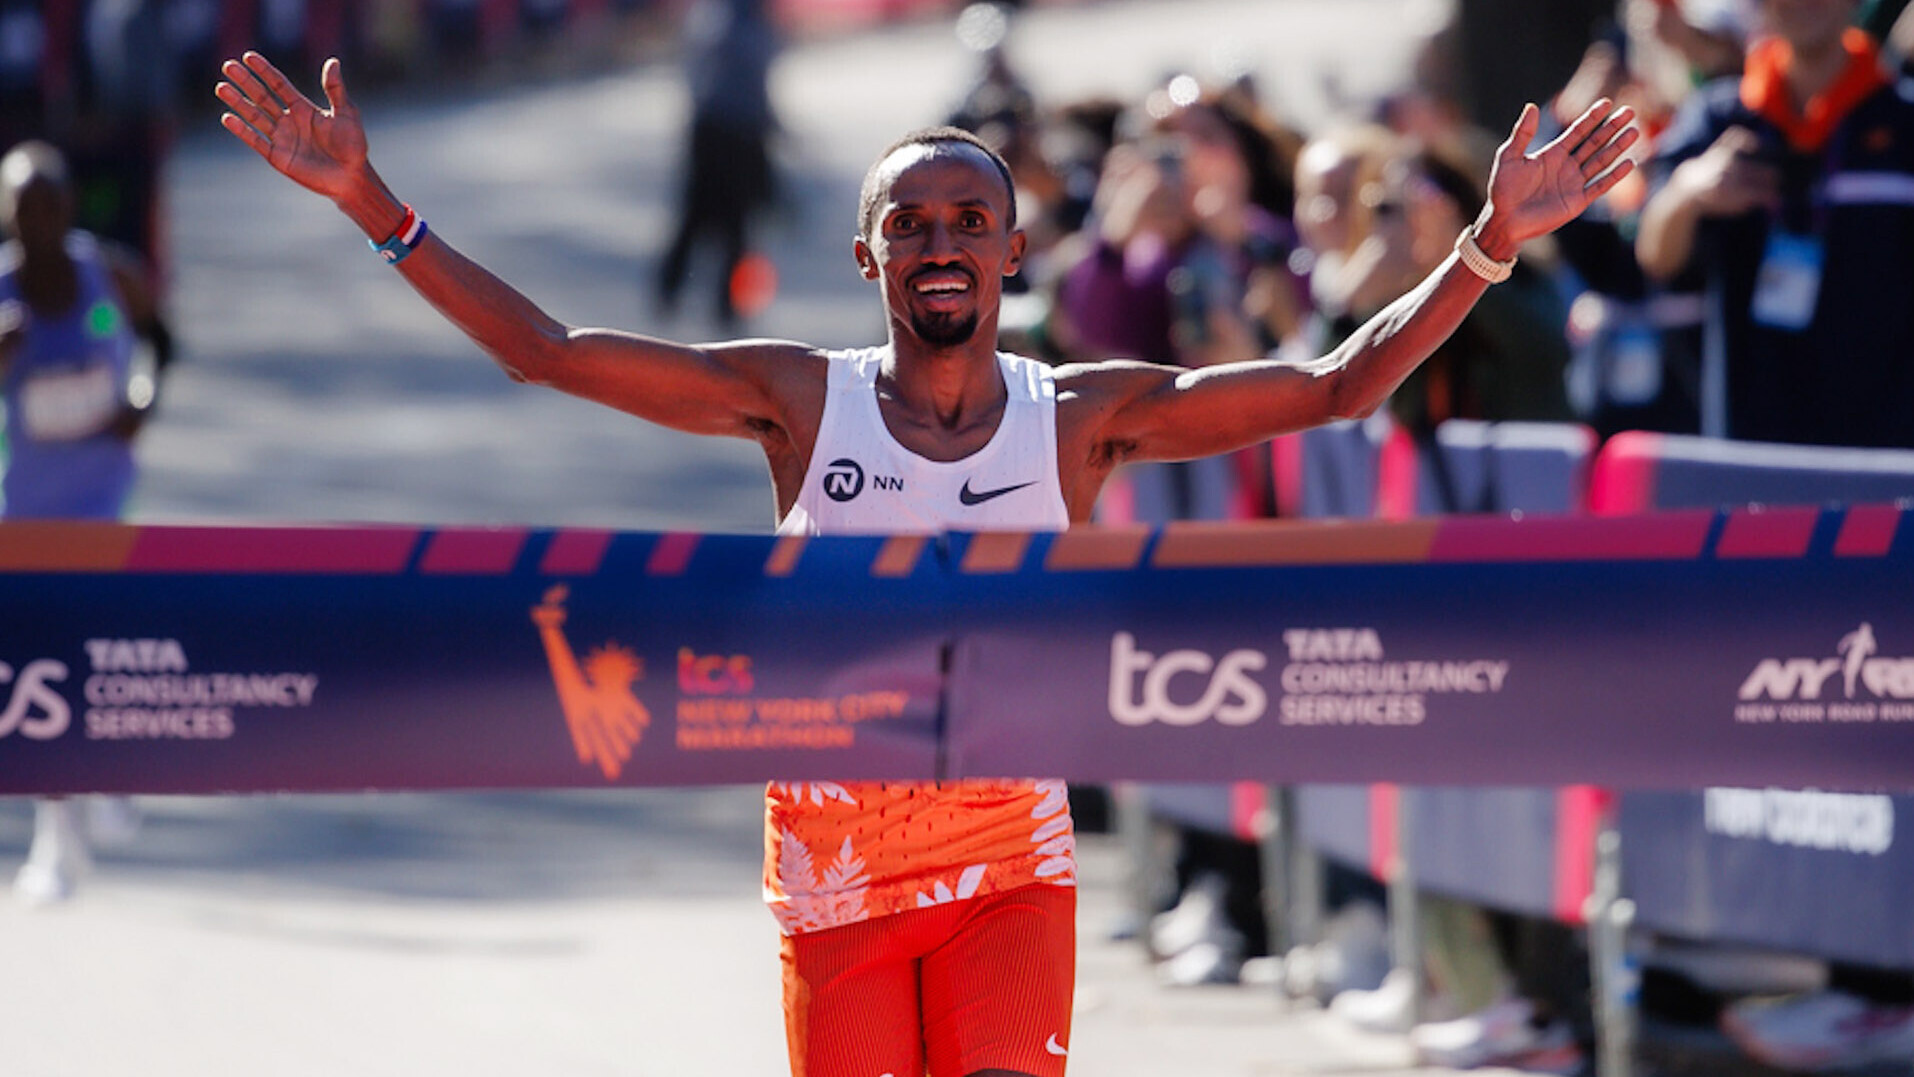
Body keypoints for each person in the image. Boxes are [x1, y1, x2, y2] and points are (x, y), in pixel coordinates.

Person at [214, 48, 1636, 1077]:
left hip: (1006, 856)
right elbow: (550, 355)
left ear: (1013, 253)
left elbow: (1330, 385)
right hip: (832, 864)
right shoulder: (796, 399)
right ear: (867, 256)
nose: (940, 244)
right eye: (911, 225)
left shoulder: (1077, 417)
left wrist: (1487, 245)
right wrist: (375, 209)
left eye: (968, 224)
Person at [0, 139, 166, 904]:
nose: (37, 217)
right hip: (26, 514)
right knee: (43, 667)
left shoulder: (110, 274)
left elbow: (161, 340)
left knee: (99, 650)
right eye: (21, 204)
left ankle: (112, 774)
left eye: (48, 201)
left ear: (68, 205)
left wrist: (142, 398)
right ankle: (56, 837)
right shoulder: (0, 296)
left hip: (103, 504)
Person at [1635, 0, 1914, 446]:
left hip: (1885, 454)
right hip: (1751, 448)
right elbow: (1655, 256)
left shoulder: (1903, 120)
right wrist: (1688, 194)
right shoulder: (1719, 118)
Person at [653, 0, 779, 332]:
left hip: (736, 130)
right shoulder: (726, 17)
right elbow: (728, 71)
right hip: (720, 131)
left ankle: (724, 302)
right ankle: (671, 288)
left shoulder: (748, 16)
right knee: (700, 215)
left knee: (733, 223)